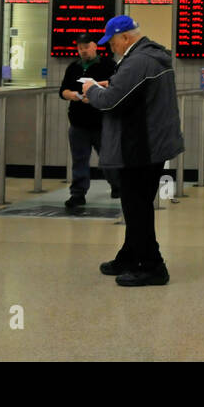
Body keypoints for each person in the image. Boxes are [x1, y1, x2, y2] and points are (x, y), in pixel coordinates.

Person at [83, 15, 183, 286]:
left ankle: (153, 266)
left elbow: (111, 102)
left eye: (113, 42)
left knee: (137, 207)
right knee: (136, 205)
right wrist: (109, 86)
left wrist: (92, 90)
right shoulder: (149, 57)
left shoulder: (139, 61)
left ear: (126, 37)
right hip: (150, 143)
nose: (111, 48)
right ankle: (129, 255)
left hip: (141, 146)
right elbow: (130, 92)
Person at [58, 33, 119, 208]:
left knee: (108, 159)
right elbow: (63, 91)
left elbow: (115, 86)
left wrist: (95, 94)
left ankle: (117, 185)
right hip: (78, 123)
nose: (83, 51)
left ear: (95, 47)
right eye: (80, 48)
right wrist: (73, 95)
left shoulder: (108, 65)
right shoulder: (73, 67)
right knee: (79, 160)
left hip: (102, 122)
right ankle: (78, 193)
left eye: (86, 47)